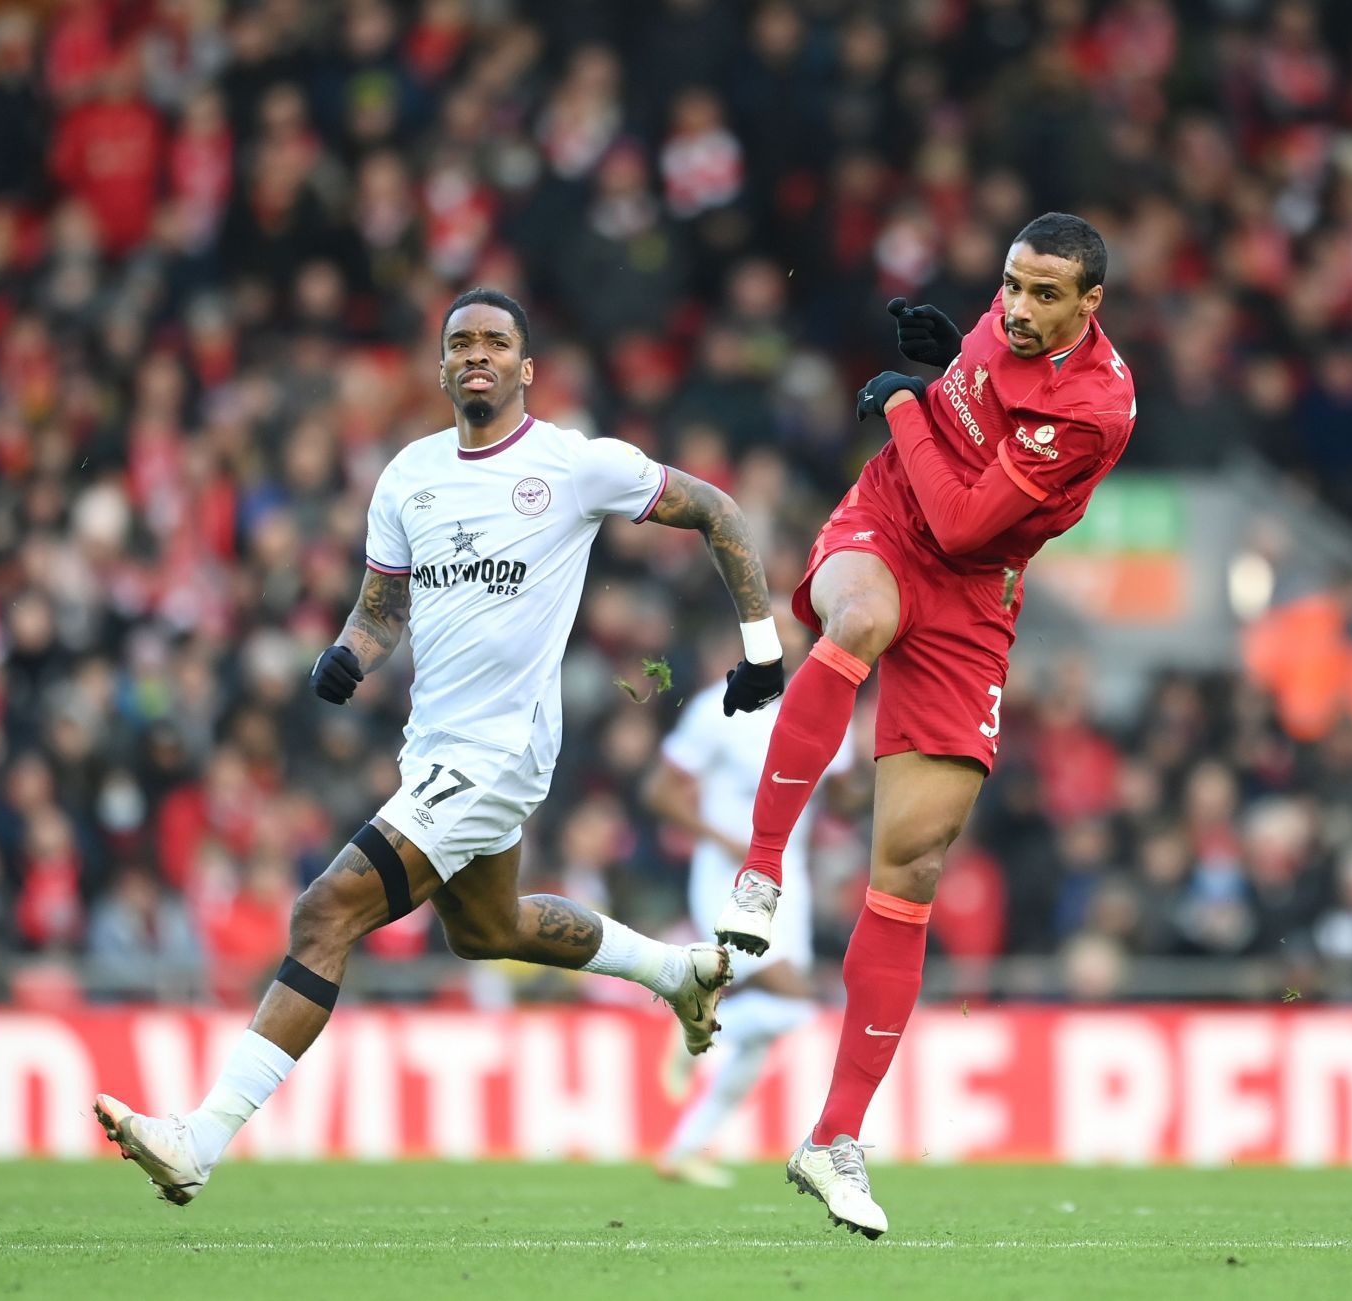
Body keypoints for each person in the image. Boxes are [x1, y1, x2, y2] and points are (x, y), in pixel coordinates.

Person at [93, 287, 786, 1205]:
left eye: (497, 342)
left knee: (323, 912)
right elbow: (383, 610)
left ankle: (200, 1137)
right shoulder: (409, 476)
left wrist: (763, 647)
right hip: (435, 748)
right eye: (461, 343)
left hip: (501, 754)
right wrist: (348, 656)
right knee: (484, 930)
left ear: (527, 368)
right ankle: (675, 970)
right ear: (442, 364)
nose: (477, 355)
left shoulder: (575, 465)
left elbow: (718, 510)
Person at [712, 213, 1135, 1236]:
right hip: (884, 521)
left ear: (1093, 305)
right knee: (856, 617)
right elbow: (960, 443)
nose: (1019, 310)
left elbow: (964, 525)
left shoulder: (1095, 410)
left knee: (911, 868)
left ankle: (833, 1136)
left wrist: (908, 402)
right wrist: (951, 367)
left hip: (975, 586)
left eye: (1045, 297)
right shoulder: (1005, 318)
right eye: (1012, 286)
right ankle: (761, 872)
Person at [642, 627, 855, 1188]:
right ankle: (702, 1019)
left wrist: (878, 750)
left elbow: (843, 800)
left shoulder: (828, 706)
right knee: (793, 1001)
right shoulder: (722, 706)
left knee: (773, 1028)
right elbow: (660, 791)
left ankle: (686, 1147)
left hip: (792, 880)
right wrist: (724, 839)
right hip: (731, 876)